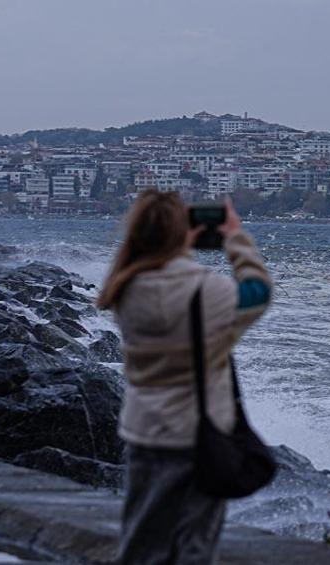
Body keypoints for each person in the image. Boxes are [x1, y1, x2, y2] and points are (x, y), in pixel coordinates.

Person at [97, 190, 272, 564]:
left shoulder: (124, 288)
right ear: (185, 233)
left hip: (143, 430)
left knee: (142, 540)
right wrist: (235, 238)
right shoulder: (206, 289)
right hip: (196, 435)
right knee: (194, 544)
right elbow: (257, 294)